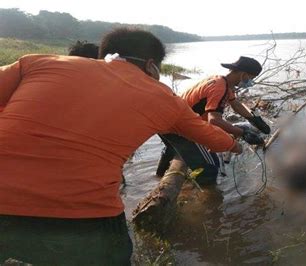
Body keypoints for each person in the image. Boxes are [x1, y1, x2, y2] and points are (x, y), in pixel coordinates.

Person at [0, 27, 241, 265]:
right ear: (151, 65)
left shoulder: (39, 63)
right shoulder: (164, 97)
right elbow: (212, 138)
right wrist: (234, 143)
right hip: (83, 216)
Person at [156, 56, 271, 184]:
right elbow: (214, 121)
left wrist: (254, 119)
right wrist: (242, 133)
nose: (250, 82)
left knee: (173, 149)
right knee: (210, 167)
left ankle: (158, 177)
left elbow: (236, 104)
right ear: (243, 74)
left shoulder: (221, 81)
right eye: (251, 78)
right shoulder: (220, 88)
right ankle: (208, 197)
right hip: (178, 127)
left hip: (165, 121)